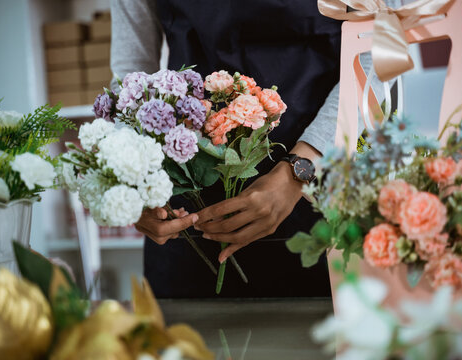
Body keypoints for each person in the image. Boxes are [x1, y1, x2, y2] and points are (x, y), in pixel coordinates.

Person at [111, 0, 342, 298]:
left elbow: (374, 54)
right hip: (189, 205)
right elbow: (131, 73)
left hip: (319, 188)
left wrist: (298, 171)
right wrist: (134, 183)